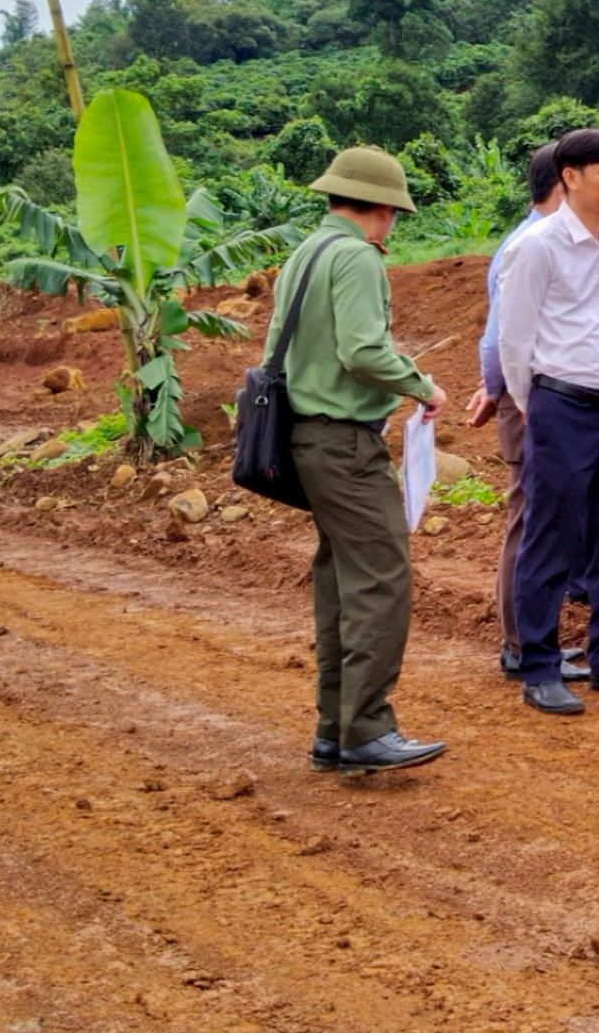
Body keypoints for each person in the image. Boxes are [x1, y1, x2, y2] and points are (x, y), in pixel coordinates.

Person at [266, 146, 448, 776]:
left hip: (305, 439)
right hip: (342, 441)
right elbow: (363, 351)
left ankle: (334, 729)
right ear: (383, 209)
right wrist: (422, 385)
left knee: (340, 580)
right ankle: (366, 729)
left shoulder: (305, 253)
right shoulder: (356, 258)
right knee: (382, 573)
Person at [497, 129, 599, 715]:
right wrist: (534, 401)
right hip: (561, 405)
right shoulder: (537, 247)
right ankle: (539, 666)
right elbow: (515, 339)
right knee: (552, 535)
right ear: (570, 177)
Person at [466, 143, 587, 683]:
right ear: (564, 184)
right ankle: (520, 644)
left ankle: (529, 638)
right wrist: (501, 393)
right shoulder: (530, 245)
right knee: (530, 519)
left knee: (541, 519)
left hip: (534, 397)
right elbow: (498, 340)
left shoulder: (534, 240)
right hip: (531, 400)